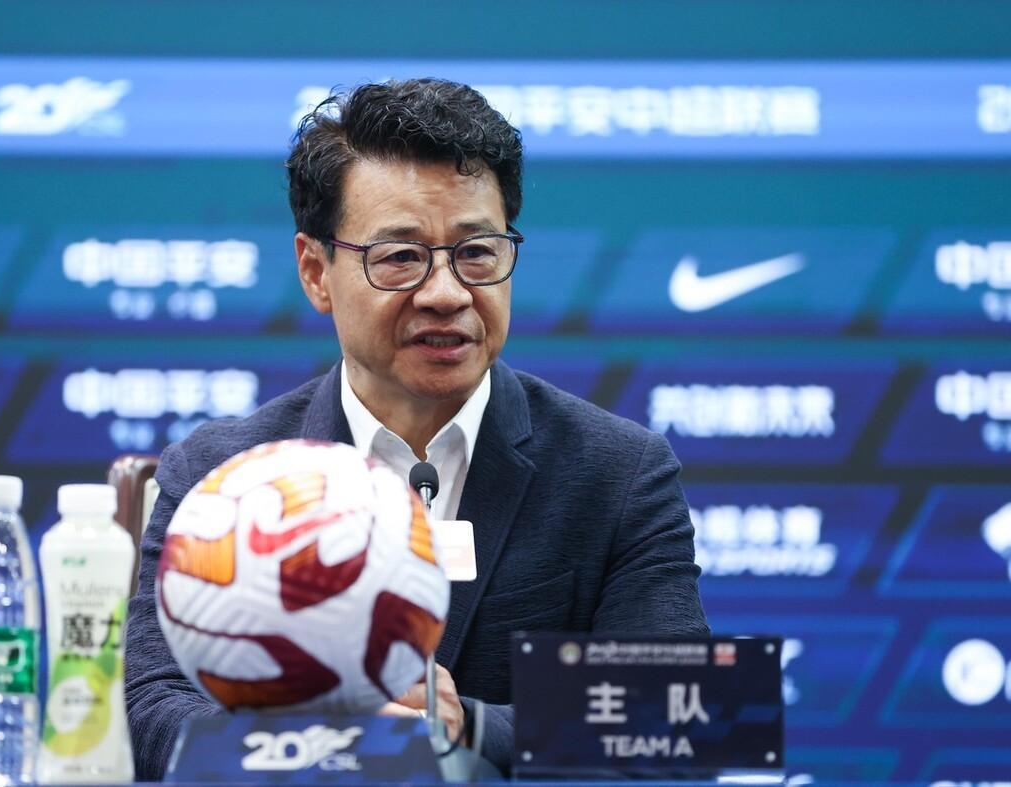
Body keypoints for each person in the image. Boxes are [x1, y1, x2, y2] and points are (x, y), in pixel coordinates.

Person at [124, 78, 709, 778]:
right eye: (400, 257)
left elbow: (678, 715)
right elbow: (150, 707)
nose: (447, 293)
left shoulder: (618, 473)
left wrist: (469, 728)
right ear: (315, 271)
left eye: (477, 252)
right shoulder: (223, 475)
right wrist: (312, 738)